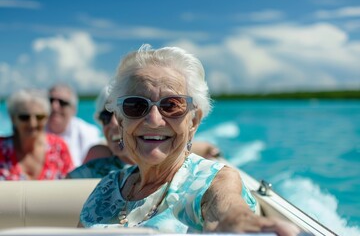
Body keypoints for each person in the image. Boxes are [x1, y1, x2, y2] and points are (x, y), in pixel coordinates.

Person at [78, 45, 300, 235]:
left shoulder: (211, 181)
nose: (154, 120)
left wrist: (238, 221)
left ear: (193, 121)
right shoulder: (106, 187)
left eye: (171, 105)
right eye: (136, 106)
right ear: (120, 120)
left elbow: (226, 207)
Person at [67, 87, 221, 178]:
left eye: (130, 110)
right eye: (106, 116)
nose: (115, 122)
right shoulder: (97, 160)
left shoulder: (182, 160)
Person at [0, 88, 74, 180]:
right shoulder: (1, 149)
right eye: (24, 117)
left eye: (39, 117)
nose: (32, 123)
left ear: (47, 117)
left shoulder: (59, 148)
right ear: (12, 119)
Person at [46, 83, 102, 166]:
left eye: (62, 103)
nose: (54, 107)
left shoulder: (88, 132)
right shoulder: (35, 131)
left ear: (73, 109)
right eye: (51, 101)